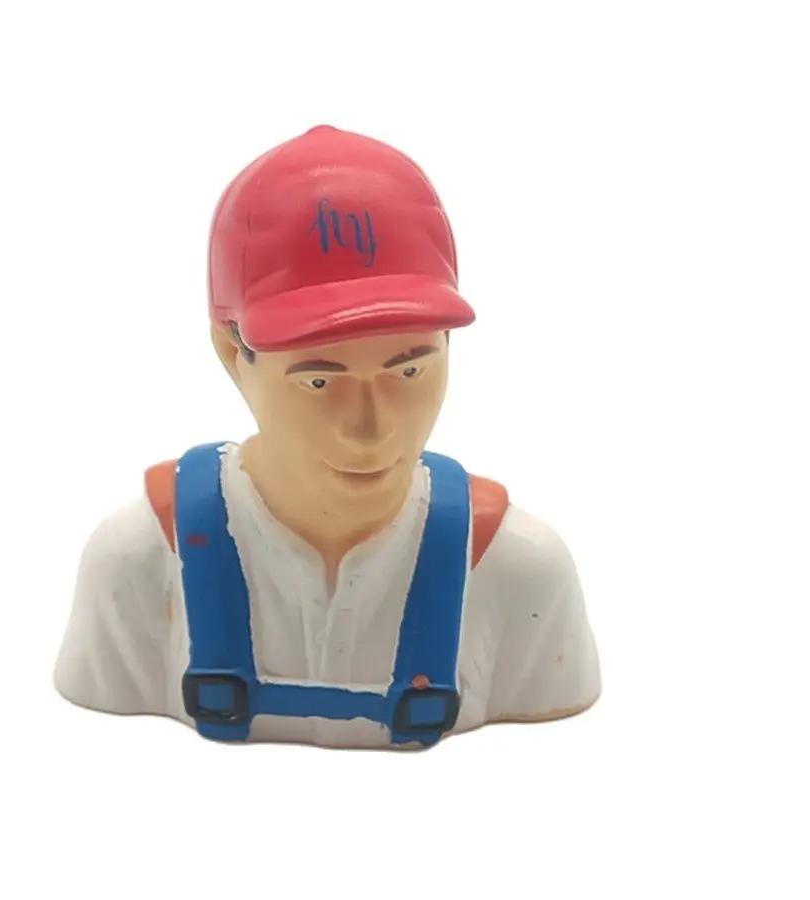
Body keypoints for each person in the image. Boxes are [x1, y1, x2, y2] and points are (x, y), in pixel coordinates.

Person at [54, 124, 601, 750]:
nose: (371, 427)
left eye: (409, 370)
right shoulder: (142, 560)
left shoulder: (516, 571)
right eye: (319, 381)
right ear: (232, 353)